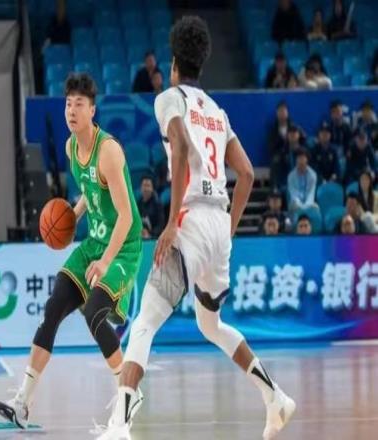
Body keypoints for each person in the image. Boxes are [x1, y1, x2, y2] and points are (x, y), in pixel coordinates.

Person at [98, 16, 295, 440]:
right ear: (201, 63)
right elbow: (246, 174)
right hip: (219, 222)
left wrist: (171, 223)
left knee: (145, 322)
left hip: (190, 220)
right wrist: (228, 230)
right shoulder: (217, 112)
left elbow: (181, 147)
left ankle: (119, 426)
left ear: (173, 64)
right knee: (210, 325)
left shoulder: (169, 99)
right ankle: (275, 397)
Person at [0, 73, 144, 428]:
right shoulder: (69, 148)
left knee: (94, 312)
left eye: (79, 104)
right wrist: (72, 216)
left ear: (92, 110)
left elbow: (126, 216)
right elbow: (91, 194)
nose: (72, 110)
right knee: (52, 309)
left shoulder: (108, 151)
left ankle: (129, 391)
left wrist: (106, 261)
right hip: (94, 241)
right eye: (68, 104)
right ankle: (23, 402)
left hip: (123, 246)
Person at [287, 148, 319, 213]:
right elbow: (293, 193)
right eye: (299, 158)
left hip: (309, 202)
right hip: (295, 202)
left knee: (316, 208)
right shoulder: (291, 176)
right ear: (296, 160)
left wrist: (306, 205)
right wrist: (300, 205)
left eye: (303, 158)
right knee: (294, 206)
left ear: (307, 159)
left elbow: (311, 193)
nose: (301, 160)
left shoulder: (313, 175)